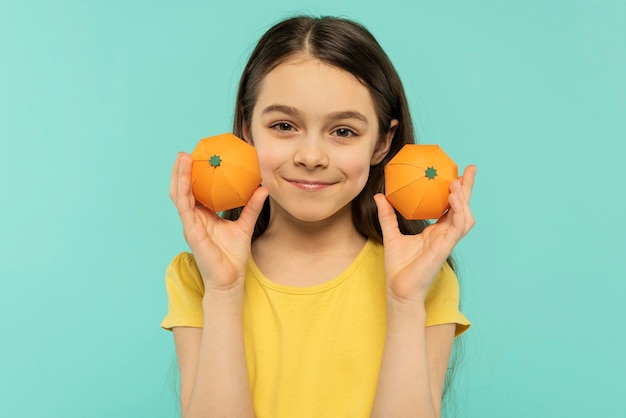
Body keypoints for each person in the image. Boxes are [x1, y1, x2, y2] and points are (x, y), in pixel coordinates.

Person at [162, 15, 476, 418]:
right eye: (284, 125)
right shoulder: (198, 277)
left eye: (343, 131)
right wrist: (223, 293)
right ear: (246, 129)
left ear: (382, 143)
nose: (310, 156)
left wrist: (405, 302)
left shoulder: (425, 278)